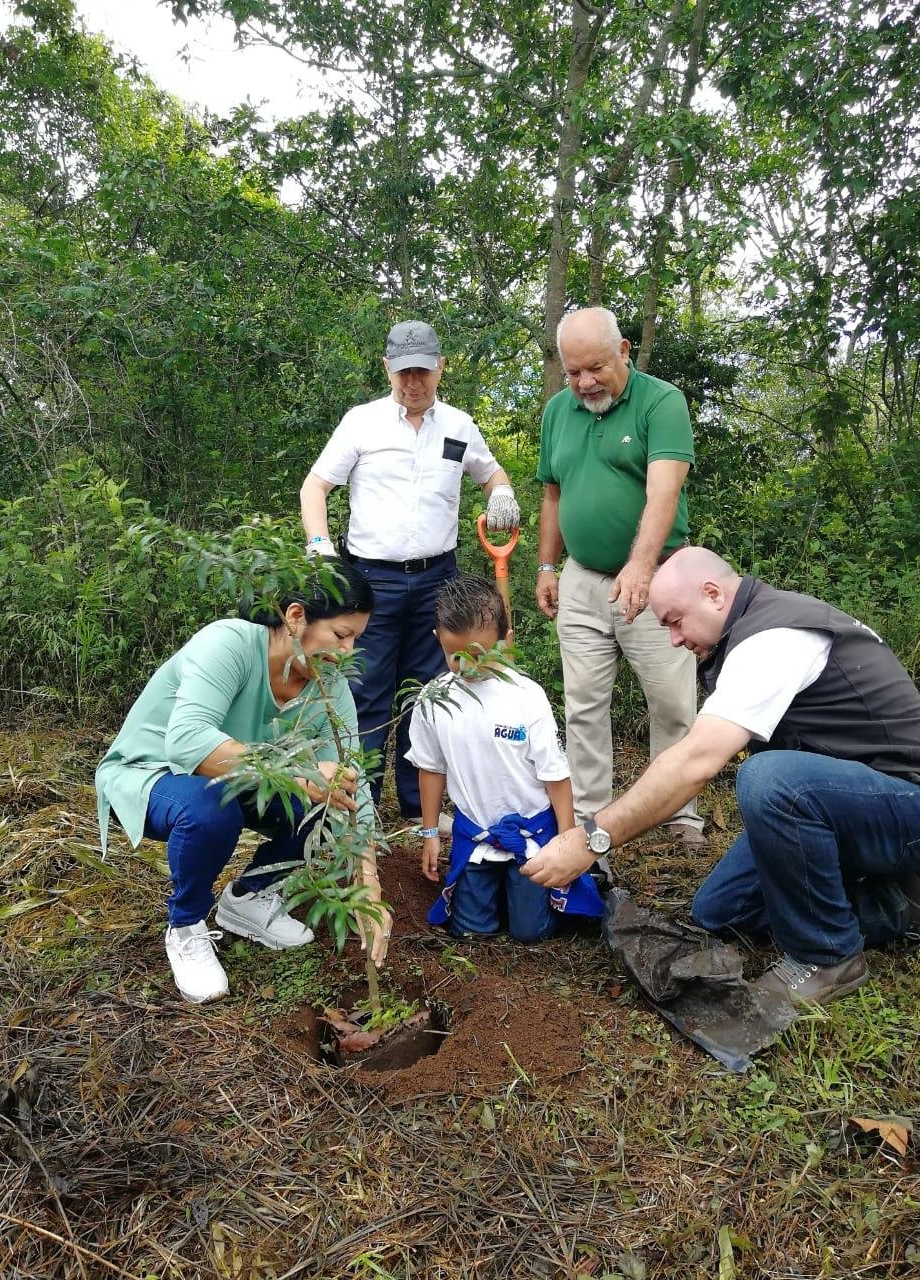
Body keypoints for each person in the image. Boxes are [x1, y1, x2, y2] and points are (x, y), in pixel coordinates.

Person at [523, 546, 920, 1004]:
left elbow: (695, 761)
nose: (672, 639)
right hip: (854, 800)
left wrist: (593, 838)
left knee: (770, 781)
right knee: (720, 910)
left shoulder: (774, 639)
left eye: (674, 620)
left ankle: (828, 957)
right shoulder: (751, 629)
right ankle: (897, 904)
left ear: (712, 594)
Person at [95, 564, 392, 1004]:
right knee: (210, 807)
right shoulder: (230, 643)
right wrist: (296, 774)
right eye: (340, 635)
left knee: (329, 801)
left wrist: (369, 880)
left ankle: (248, 897)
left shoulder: (329, 686)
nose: (348, 651)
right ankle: (186, 925)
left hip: (238, 776)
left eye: (355, 640)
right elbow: (187, 741)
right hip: (154, 772)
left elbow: (353, 782)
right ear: (296, 616)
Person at [300, 320, 520, 825]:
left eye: (422, 371)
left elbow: (491, 474)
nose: (412, 383)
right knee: (368, 692)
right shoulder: (362, 423)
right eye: (402, 373)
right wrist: (320, 548)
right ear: (387, 369)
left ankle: (422, 809)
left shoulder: (459, 427)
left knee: (431, 692)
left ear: (440, 368)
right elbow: (316, 488)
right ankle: (361, 809)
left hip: (438, 580)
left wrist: (501, 494)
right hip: (371, 579)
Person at [535, 306, 704, 847]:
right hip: (582, 580)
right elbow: (552, 493)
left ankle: (679, 814)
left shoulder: (662, 402)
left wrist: (640, 565)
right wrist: (545, 564)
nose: (585, 382)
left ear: (624, 351)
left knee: (674, 701)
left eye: (596, 368)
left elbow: (663, 492)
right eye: (573, 371)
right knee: (583, 704)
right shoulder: (558, 411)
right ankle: (591, 818)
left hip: (660, 579)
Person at [406, 573, 603, 941]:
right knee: (470, 931)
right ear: (438, 641)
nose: (467, 666)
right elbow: (430, 769)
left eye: (479, 654)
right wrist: (430, 832)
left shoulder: (526, 697)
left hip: (529, 833)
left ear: (505, 643)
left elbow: (555, 776)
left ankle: (533, 901)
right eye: (454, 655)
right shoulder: (433, 700)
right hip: (477, 835)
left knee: (529, 932)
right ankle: (492, 896)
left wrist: (566, 839)